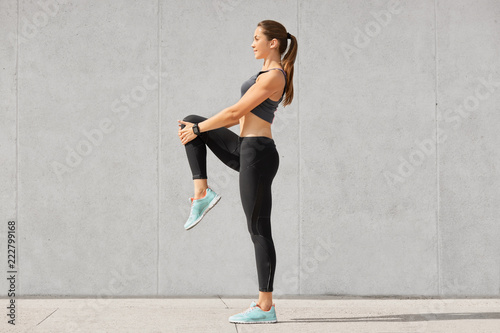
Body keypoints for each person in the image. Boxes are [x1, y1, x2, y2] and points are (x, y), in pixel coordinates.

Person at [177, 19, 297, 324]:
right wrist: (198, 128)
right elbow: (235, 117)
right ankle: (201, 194)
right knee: (190, 121)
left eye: (257, 38)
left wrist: (199, 129)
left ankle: (265, 306)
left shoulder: (274, 76)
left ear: (273, 42)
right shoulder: (263, 74)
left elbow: (234, 112)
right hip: (244, 147)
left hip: (258, 154)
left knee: (258, 229)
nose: (252, 43)